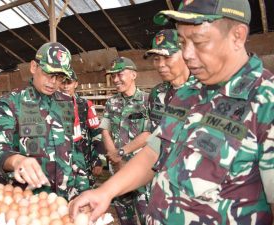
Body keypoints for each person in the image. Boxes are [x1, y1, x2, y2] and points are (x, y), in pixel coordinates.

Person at [69, 0, 274, 224]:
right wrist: (105, 192)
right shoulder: (188, 93)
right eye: (182, 42)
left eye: (199, 41)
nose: (187, 54)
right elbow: (155, 152)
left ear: (237, 36)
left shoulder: (266, 103)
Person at [0, 42, 89, 200]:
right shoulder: (12, 102)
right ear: (34, 67)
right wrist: (17, 160)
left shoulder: (67, 103)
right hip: (30, 198)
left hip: (65, 197)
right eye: (49, 73)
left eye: (60, 77)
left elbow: (75, 149)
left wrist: (83, 190)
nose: (54, 82)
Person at [100, 57, 150, 225]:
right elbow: (105, 130)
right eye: (113, 76)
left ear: (133, 74)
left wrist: (120, 153)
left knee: (147, 216)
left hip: (142, 171)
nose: (115, 80)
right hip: (118, 170)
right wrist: (115, 159)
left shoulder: (147, 101)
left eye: (119, 74)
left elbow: (148, 134)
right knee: (124, 218)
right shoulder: (111, 102)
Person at [59, 71, 104, 188]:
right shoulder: (52, 106)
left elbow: (96, 134)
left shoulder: (85, 105)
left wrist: (98, 161)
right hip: (61, 161)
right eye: (62, 82)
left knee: (86, 194)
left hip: (84, 161)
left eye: (69, 82)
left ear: (76, 84)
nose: (65, 86)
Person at [144, 29, 193, 132]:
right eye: (156, 59)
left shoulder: (204, 91)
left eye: (167, 57)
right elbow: (153, 133)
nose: (161, 64)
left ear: (185, 54)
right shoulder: (156, 93)